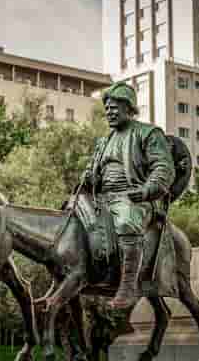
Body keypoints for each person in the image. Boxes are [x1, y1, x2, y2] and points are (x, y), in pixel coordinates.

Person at [73, 82, 175, 309]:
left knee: (127, 221)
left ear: (128, 108)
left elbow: (163, 168)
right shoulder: (104, 141)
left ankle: (128, 287)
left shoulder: (148, 133)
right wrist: (88, 177)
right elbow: (92, 170)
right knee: (71, 214)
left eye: (114, 108)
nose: (109, 112)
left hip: (133, 198)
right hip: (103, 199)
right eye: (107, 108)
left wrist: (146, 190)